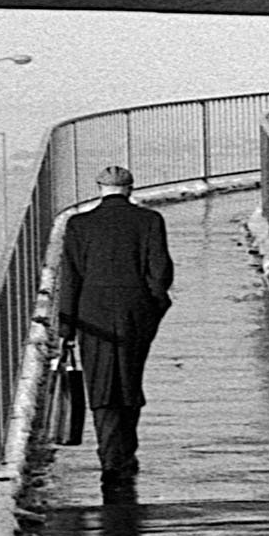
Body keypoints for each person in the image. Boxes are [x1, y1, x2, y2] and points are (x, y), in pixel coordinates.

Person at [53, 164, 174, 492]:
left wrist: (66, 327)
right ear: (130, 189)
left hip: (92, 316)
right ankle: (127, 450)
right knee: (130, 378)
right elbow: (160, 271)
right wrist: (155, 305)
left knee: (102, 383)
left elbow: (71, 279)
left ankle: (110, 457)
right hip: (137, 313)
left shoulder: (79, 225)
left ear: (100, 188)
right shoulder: (150, 221)